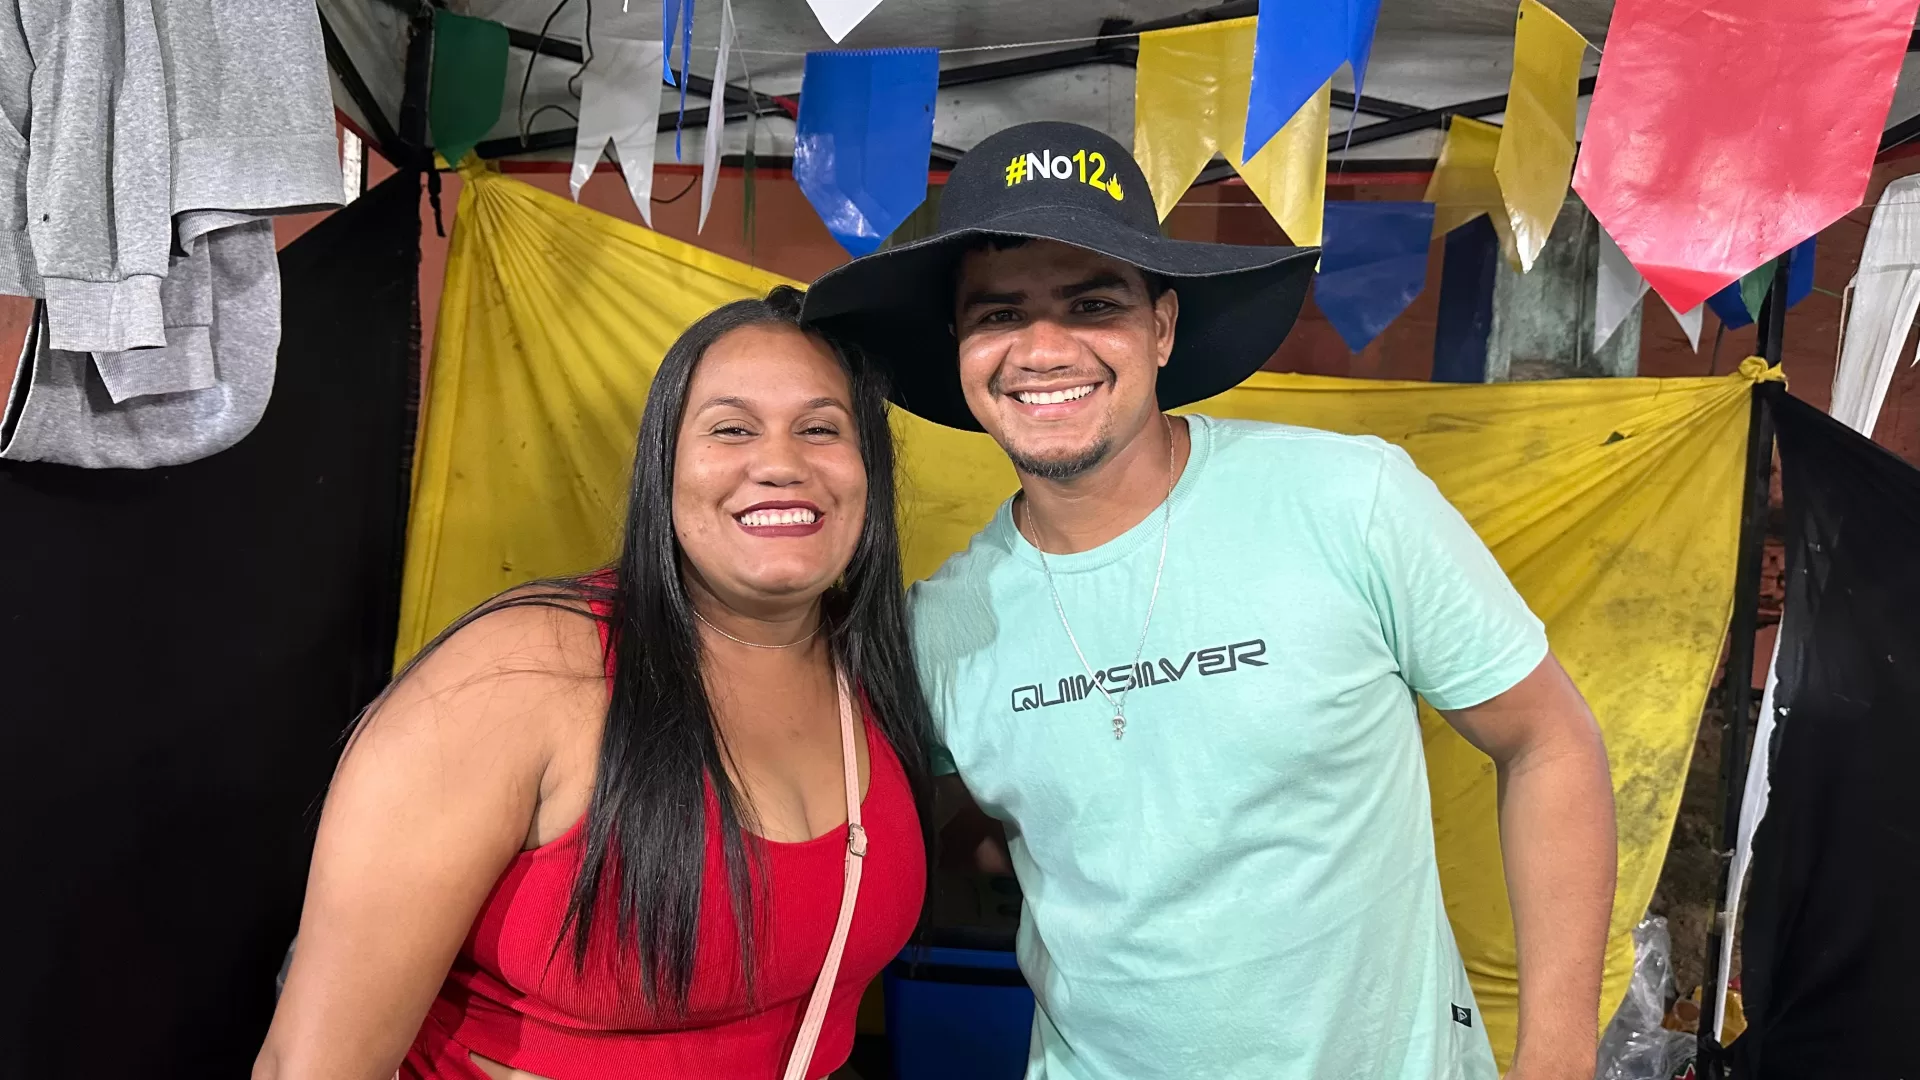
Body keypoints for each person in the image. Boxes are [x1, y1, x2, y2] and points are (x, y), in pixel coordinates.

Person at [801, 121, 1618, 1080]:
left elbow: (1548, 740)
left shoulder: (1348, 501)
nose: (1044, 348)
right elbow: (877, 844)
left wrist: (1559, 1059)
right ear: (961, 348)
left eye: (1092, 303)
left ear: (1162, 327)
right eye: (1000, 313)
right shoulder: (941, 626)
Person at [254, 287, 934, 1080]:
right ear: (663, 468)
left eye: (820, 429)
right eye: (731, 428)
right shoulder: (520, 674)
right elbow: (310, 1065)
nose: (781, 463)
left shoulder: (880, 672)